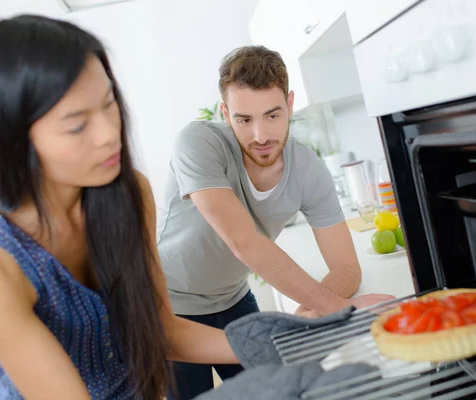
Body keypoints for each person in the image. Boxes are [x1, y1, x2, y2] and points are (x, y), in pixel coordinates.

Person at [0, 15, 239, 400]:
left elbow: (162, 331)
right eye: (77, 125)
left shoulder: (128, 194)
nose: (110, 134)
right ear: (14, 139)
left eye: (109, 104)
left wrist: (275, 339)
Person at [157, 45, 395, 399]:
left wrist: (307, 312)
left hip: (236, 301)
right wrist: (337, 308)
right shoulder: (198, 143)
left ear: (290, 103)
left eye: (272, 115)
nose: (261, 135)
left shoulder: (308, 170)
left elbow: (346, 267)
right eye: (244, 119)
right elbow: (244, 242)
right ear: (225, 112)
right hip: (171, 307)